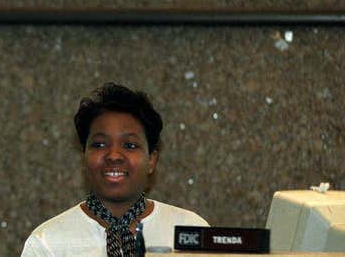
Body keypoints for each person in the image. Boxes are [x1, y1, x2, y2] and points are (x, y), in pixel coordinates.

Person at [21, 82, 209, 257]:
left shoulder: (191, 231)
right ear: (84, 158)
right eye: (100, 144)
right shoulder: (47, 244)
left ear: (151, 160)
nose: (114, 156)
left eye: (130, 145)